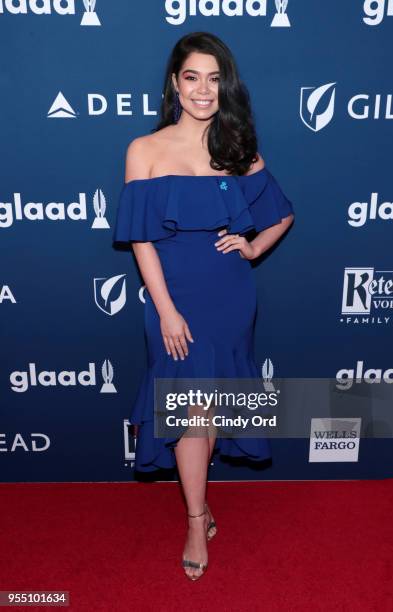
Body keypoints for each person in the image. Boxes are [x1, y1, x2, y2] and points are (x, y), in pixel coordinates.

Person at [113, 31, 294, 580]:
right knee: (189, 407)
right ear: (174, 82)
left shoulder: (237, 148)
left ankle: (197, 503)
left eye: (214, 79)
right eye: (192, 77)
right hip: (174, 298)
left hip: (229, 295)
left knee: (209, 406)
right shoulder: (144, 150)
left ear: (225, 86)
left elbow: (281, 213)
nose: (203, 89)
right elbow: (142, 240)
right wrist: (165, 310)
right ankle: (196, 518)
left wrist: (253, 245)